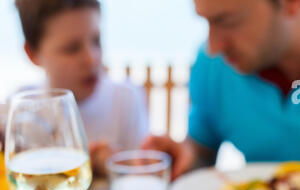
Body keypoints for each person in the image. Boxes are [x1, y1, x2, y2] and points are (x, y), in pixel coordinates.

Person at [142, 0, 300, 179]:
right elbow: (203, 151)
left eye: (226, 21)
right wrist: (182, 156)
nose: (214, 48)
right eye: (207, 21)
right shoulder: (213, 67)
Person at [15, 0, 149, 174]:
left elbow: (142, 178)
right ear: (32, 54)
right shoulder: (20, 110)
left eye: (96, 41)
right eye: (72, 48)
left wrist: (116, 164)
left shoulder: (126, 99)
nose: (91, 58)